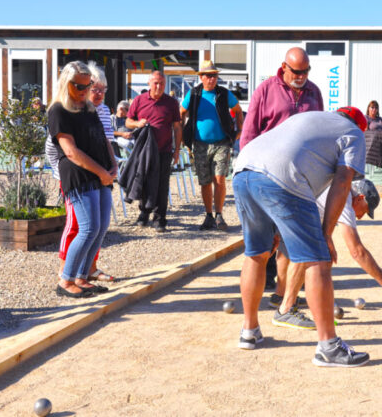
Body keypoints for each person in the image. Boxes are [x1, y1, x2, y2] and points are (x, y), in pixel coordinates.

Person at [233, 107, 370, 367]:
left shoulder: (309, 119)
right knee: (317, 260)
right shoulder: (354, 133)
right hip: (283, 177)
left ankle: (249, 332)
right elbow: (342, 184)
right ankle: (328, 347)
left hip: (243, 169)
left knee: (257, 254)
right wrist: (326, 234)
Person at [239, 47, 324, 296]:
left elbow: (318, 131)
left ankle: (287, 287)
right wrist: (247, 166)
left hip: (299, 174)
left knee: (293, 230)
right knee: (265, 230)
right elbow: (250, 131)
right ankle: (264, 277)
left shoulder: (314, 92)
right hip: (265, 171)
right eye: (297, 71)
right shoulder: (265, 90)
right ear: (284, 67)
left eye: (306, 71)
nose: (301, 76)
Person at [274, 179, 382, 330]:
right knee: (306, 253)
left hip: (285, 201)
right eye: (365, 210)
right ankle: (286, 309)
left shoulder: (337, 188)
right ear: (360, 198)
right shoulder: (344, 198)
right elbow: (357, 251)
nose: (361, 216)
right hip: (290, 207)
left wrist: (328, 237)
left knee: (311, 252)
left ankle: (281, 297)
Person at [48, 61, 116, 298]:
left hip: (100, 173)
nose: (85, 92)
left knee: (99, 228)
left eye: (88, 87)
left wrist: (113, 163)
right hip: (78, 174)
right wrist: (102, 172)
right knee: (86, 228)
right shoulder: (58, 110)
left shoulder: (88, 107)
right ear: (67, 83)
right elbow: (71, 151)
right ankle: (66, 279)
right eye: (80, 87)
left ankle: (82, 275)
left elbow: (102, 138)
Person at [180, 61, 243, 231]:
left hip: (222, 142)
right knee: (205, 182)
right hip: (199, 144)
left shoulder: (223, 93)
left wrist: (239, 131)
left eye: (215, 75)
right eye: (208, 75)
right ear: (201, 77)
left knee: (220, 179)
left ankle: (219, 215)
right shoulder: (193, 94)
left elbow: (238, 110)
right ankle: (209, 216)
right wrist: (182, 135)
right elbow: (181, 114)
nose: (212, 78)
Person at [125, 71, 181, 231]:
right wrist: (137, 124)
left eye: (162, 83)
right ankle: (144, 213)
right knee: (143, 180)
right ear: (149, 83)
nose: (159, 86)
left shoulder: (171, 103)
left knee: (162, 185)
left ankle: (160, 218)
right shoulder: (139, 100)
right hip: (144, 151)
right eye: (156, 83)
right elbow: (128, 121)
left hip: (164, 150)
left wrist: (177, 150)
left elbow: (177, 127)